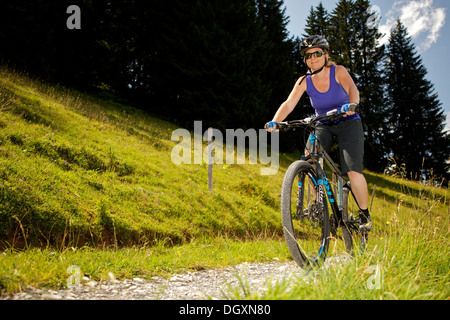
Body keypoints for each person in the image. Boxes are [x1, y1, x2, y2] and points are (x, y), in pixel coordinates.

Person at [267, 35, 372, 231]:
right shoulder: (304, 81)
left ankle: (364, 214)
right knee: (309, 159)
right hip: (323, 123)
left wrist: (352, 105)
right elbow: (289, 103)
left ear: (325, 55)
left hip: (348, 121)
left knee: (352, 170)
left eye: (317, 53)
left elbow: (352, 89)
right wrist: (275, 121)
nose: (312, 58)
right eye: (308, 56)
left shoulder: (338, 71)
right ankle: (319, 205)